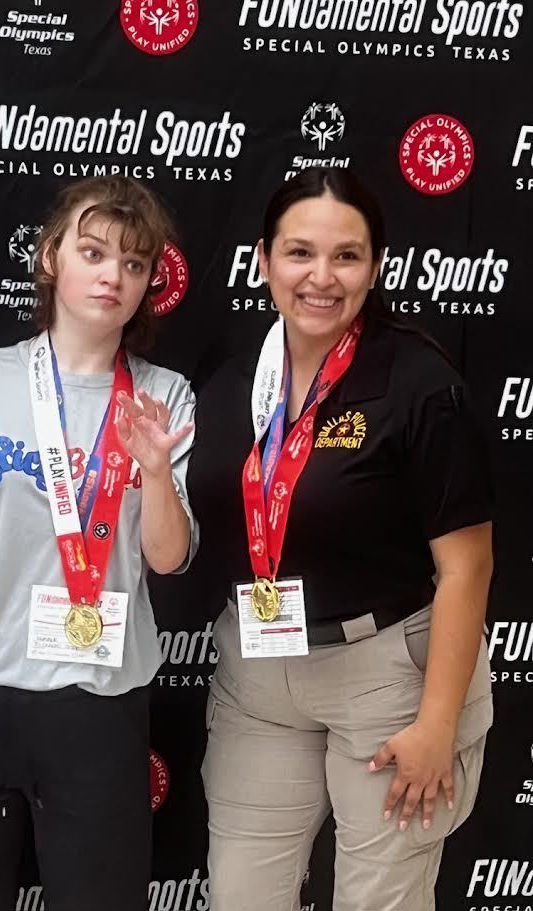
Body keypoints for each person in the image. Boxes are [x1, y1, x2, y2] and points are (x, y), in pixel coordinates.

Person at [0, 175, 198, 911]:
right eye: (94, 252)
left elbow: (166, 557)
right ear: (53, 256)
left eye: (133, 263)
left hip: (97, 702)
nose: (112, 276)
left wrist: (154, 471)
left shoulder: (165, 395)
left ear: (150, 281)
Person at [188, 167, 493, 911]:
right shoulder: (233, 380)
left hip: (388, 675)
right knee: (241, 897)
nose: (321, 277)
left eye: (346, 256)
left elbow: (468, 567)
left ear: (375, 265)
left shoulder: (418, 382)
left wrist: (436, 723)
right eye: (299, 253)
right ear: (264, 261)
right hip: (259, 676)